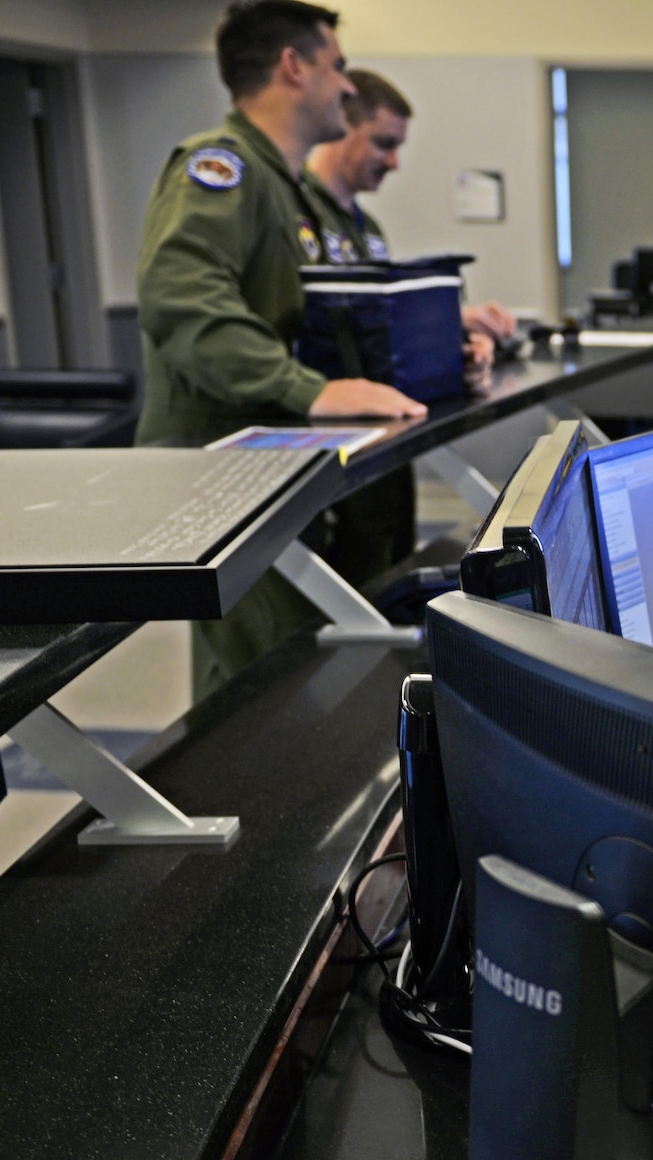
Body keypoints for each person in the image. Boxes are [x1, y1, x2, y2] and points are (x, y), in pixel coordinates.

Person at [134, 2, 423, 697]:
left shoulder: (286, 189)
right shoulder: (222, 169)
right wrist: (310, 392)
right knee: (263, 687)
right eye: (339, 67)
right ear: (294, 67)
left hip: (273, 464)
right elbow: (180, 297)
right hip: (221, 473)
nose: (350, 89)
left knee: (288, 666)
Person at [304, 67, 519, 351]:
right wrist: (448, 318)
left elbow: (379, 334)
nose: (394, 163)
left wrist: (460, 346)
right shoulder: (298, 209)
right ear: (343, 126)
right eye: (384, 144)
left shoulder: (369, 229)